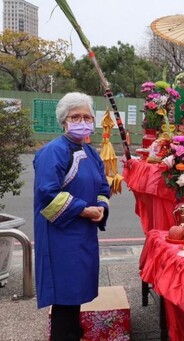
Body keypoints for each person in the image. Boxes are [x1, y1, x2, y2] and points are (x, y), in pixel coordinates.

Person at [33, 92, 111, 340]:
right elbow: (47, 194)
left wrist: (101, 208)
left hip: (84, 236)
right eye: (75, 116)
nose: (82, 120)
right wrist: (82, 209)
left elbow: (103, 187)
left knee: (75, 295)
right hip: (60, 237)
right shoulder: (53, 151)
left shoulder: (91, 152)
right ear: (63, 120)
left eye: (87, 116)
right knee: (64, 299)